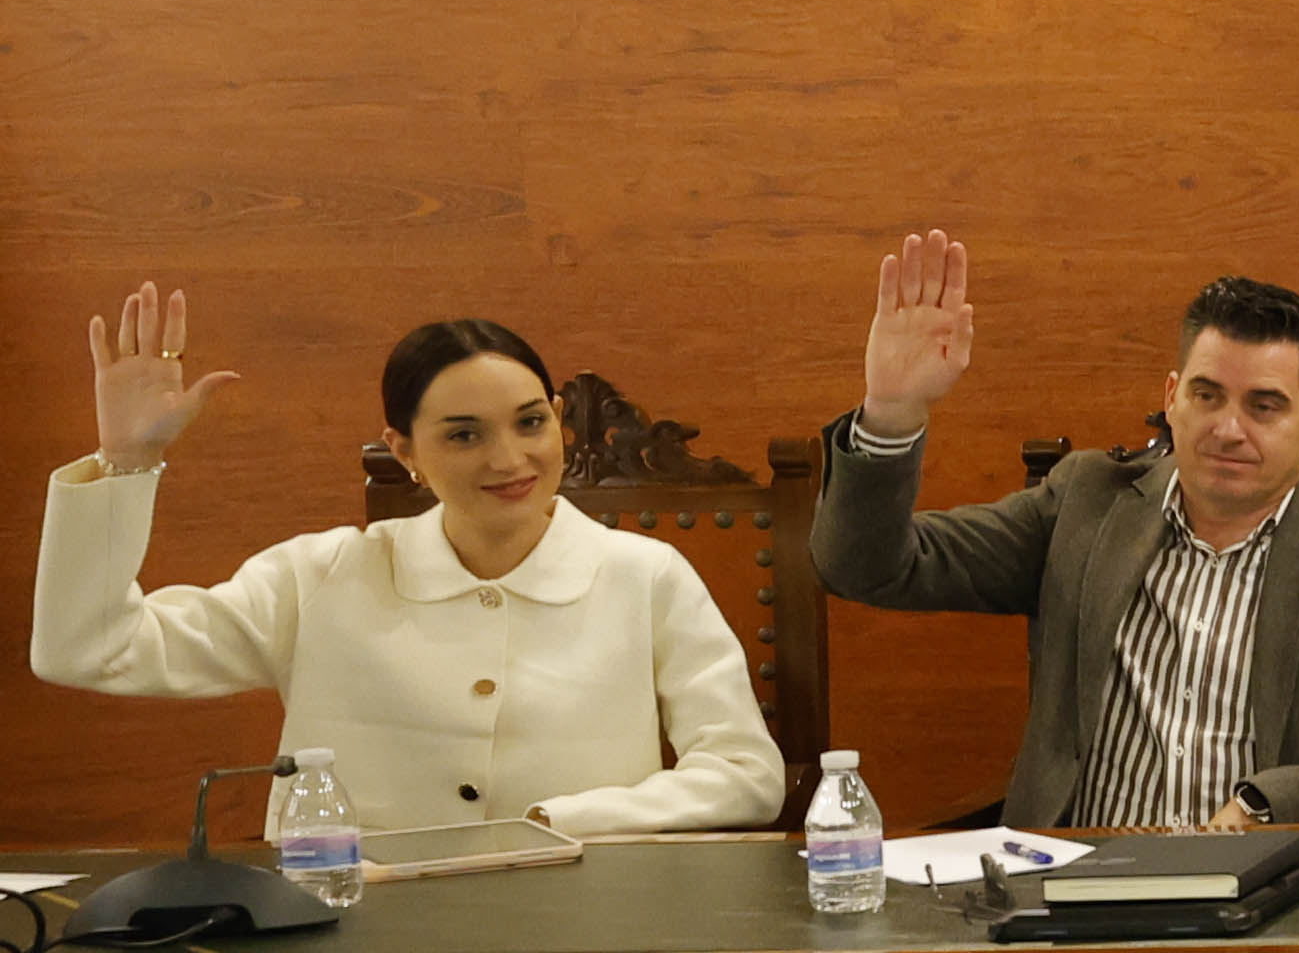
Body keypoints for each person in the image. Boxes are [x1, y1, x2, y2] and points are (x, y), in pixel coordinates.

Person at [32, 283, 777, 836]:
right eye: (463, 435)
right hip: (351, 942)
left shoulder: (645, 576)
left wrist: (567, 819)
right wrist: (127, 461)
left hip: (586, 927)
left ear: (558, 420)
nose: (508, 459)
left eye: (529, 423)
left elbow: (745, 774)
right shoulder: (319, 577)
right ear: (404, 450)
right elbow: (88, 650)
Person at [817, 235, 1299, 830]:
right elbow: (868, 566)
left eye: (1264, 406)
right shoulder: (1086, 502)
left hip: (1272, 888)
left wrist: (1269, 801)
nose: (1228, 429)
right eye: (1207, 395)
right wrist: (892, 411)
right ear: (1171, 397)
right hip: (1076, 883)